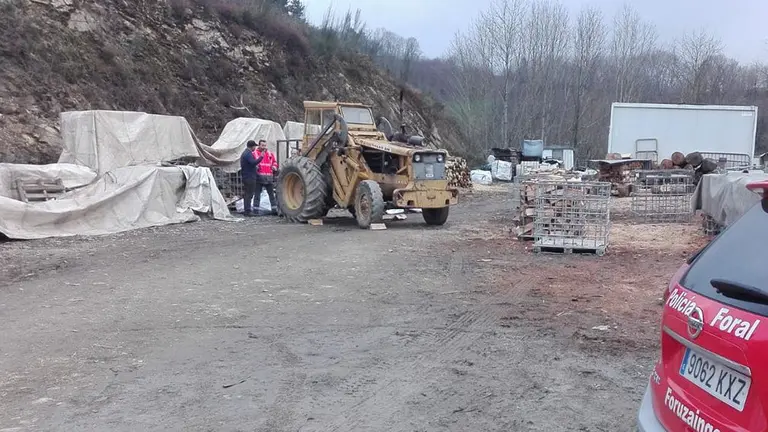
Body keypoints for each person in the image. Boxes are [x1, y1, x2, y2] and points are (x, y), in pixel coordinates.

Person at [252, 139, 279, 215]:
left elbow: (274, 162)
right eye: (262, 145)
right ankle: (255, 211)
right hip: (259, 177)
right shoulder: (255, 154)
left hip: (269, 177)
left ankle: (274, 210)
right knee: (257, 195)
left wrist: (274, 167)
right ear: (259, 145)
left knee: (271, 195)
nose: (264, 147)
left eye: (265, 145)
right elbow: (253, 164)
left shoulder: (270, 154)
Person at [240, 140, 263, 217]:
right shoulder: (248, 154)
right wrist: (261, 157)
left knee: (247, 194)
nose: (255, 148)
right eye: (254, 146)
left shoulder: (245, 153)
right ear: (252, 146)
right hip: (249, 177)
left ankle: (247, 210)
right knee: (249, 194)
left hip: (247, 176)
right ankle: (248, 211)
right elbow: (253, 162)